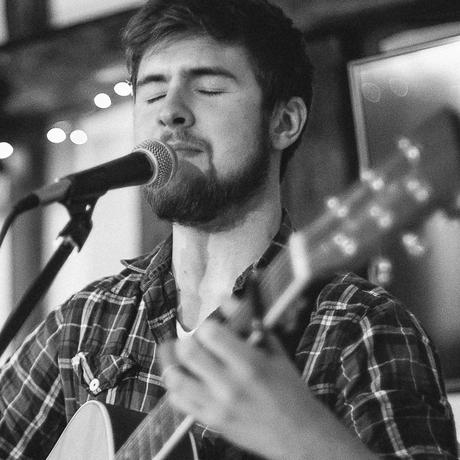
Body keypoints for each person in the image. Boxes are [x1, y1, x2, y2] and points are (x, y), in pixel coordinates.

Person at [0, 0, 458, 458]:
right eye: (153, 93)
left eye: (209, 88)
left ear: (284, 121)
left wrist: (305, 438)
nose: (171, 112)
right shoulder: (87, 323)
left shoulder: (359, 327)